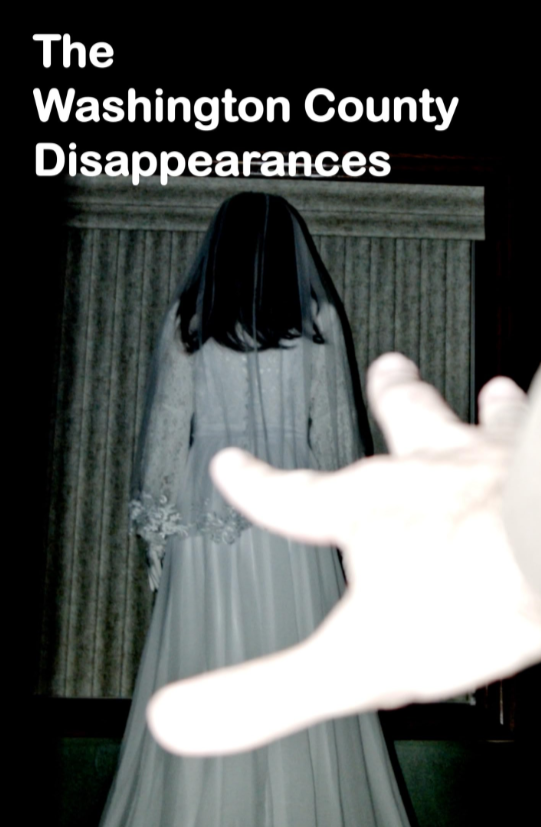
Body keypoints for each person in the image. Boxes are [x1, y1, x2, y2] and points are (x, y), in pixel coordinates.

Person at [100, 194, 411, 826]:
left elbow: (165, 433)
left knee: (206, 650)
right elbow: (337, 435)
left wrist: (157, 534)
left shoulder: (190, 320)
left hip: (207, 504)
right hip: (292, 502)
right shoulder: (317, 321)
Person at [146, 355, 541, 757]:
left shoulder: (188, 321)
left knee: (222, 630)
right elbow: (332, 420)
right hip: (283, 474)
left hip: (214, 488)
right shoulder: (315, 320)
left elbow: (168, 419)